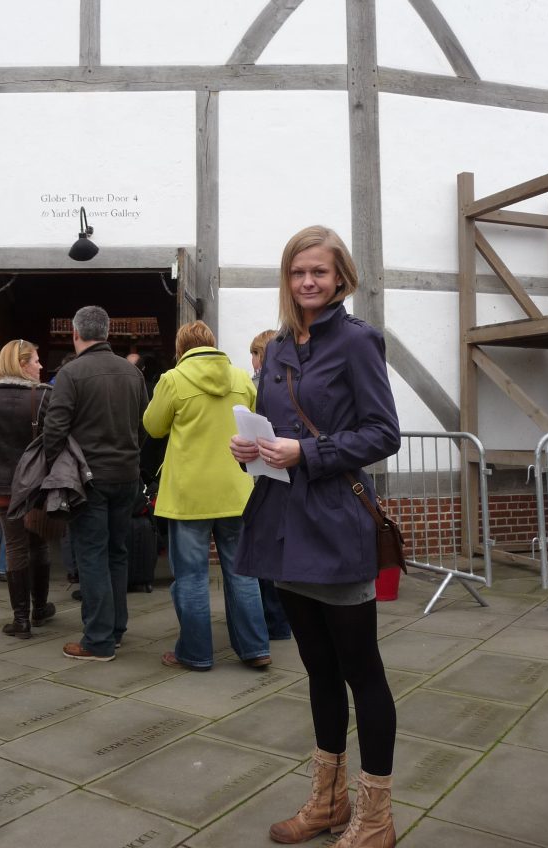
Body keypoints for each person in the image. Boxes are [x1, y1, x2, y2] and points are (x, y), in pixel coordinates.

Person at [231, 225, 401, 847]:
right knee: (317, 671)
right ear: (288, 277)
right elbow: (273, 429)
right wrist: (249, 447)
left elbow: (383, 434)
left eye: (319, 273)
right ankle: (328, 804)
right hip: (282, 524)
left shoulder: (359, 343)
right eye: (299, 272)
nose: (308, 282)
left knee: (363, 673)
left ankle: (376, 816)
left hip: (336, 526)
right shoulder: (276, 347)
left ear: (340, 279)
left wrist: (307, 450)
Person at [144, 320, 270, 671]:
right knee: (243, 573)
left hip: (189, 495)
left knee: (191, 577)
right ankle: (255, 648)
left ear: (180, 348)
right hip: (235, 491)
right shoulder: (242, 379)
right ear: (213, 344)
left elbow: (153, 426)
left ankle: (196, 653)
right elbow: (260, 420)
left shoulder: (173, 379)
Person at [43, 306, 148, 662]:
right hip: (127, 475)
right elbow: (144, 425)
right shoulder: (131, 373)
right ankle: (115, 629)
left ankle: (99, 640)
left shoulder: (71, 374)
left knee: (91, 556)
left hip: (89, 479)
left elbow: (54, 428)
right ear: (107, 333)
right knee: (117, 553)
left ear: (76, 334)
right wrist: (131, 455)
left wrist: (52, 466)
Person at [0, 339, 54, 638]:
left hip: (0, 482)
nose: (40, 366)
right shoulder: (44, 396)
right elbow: (51, 441)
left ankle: (21, 620)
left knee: (16, 546)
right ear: (21, 364)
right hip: (35, 484)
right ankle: (40, 608)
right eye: (35, 360)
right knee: (39, 543)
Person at [249, 328, 291, 642]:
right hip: (278, 476)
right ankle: (281, 621)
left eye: (254, 353)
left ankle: (274, 622)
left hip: (267, 478)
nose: (251, 360)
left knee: (266, 556)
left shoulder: (257, 385)